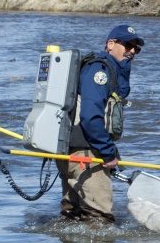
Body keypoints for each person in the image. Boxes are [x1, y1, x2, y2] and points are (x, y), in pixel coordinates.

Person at [59, 24, 143, 224]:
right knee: (100, 219)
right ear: (110, 44)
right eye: (127, 45)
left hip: (73, 150)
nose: (132, 51)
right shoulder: (100, 71)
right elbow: (91, 116)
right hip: (86, 152)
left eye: (136, 48)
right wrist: (106, 151)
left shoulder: (104, 68)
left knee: (73, 215)